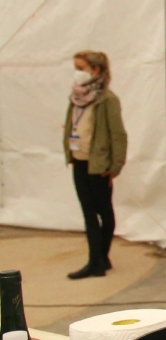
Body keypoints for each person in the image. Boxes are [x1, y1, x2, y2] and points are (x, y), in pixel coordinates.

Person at [63, 51, 127, 279]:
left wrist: (115, 166)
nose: (77, 73)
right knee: (88, 213)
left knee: (104, 212)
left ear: (95, 70)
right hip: (79, 161)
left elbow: (118, 135)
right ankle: (95, 259)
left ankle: (101, 257)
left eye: (81, 67)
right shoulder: (76, 97)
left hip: (99, 165)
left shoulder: (107, 100)